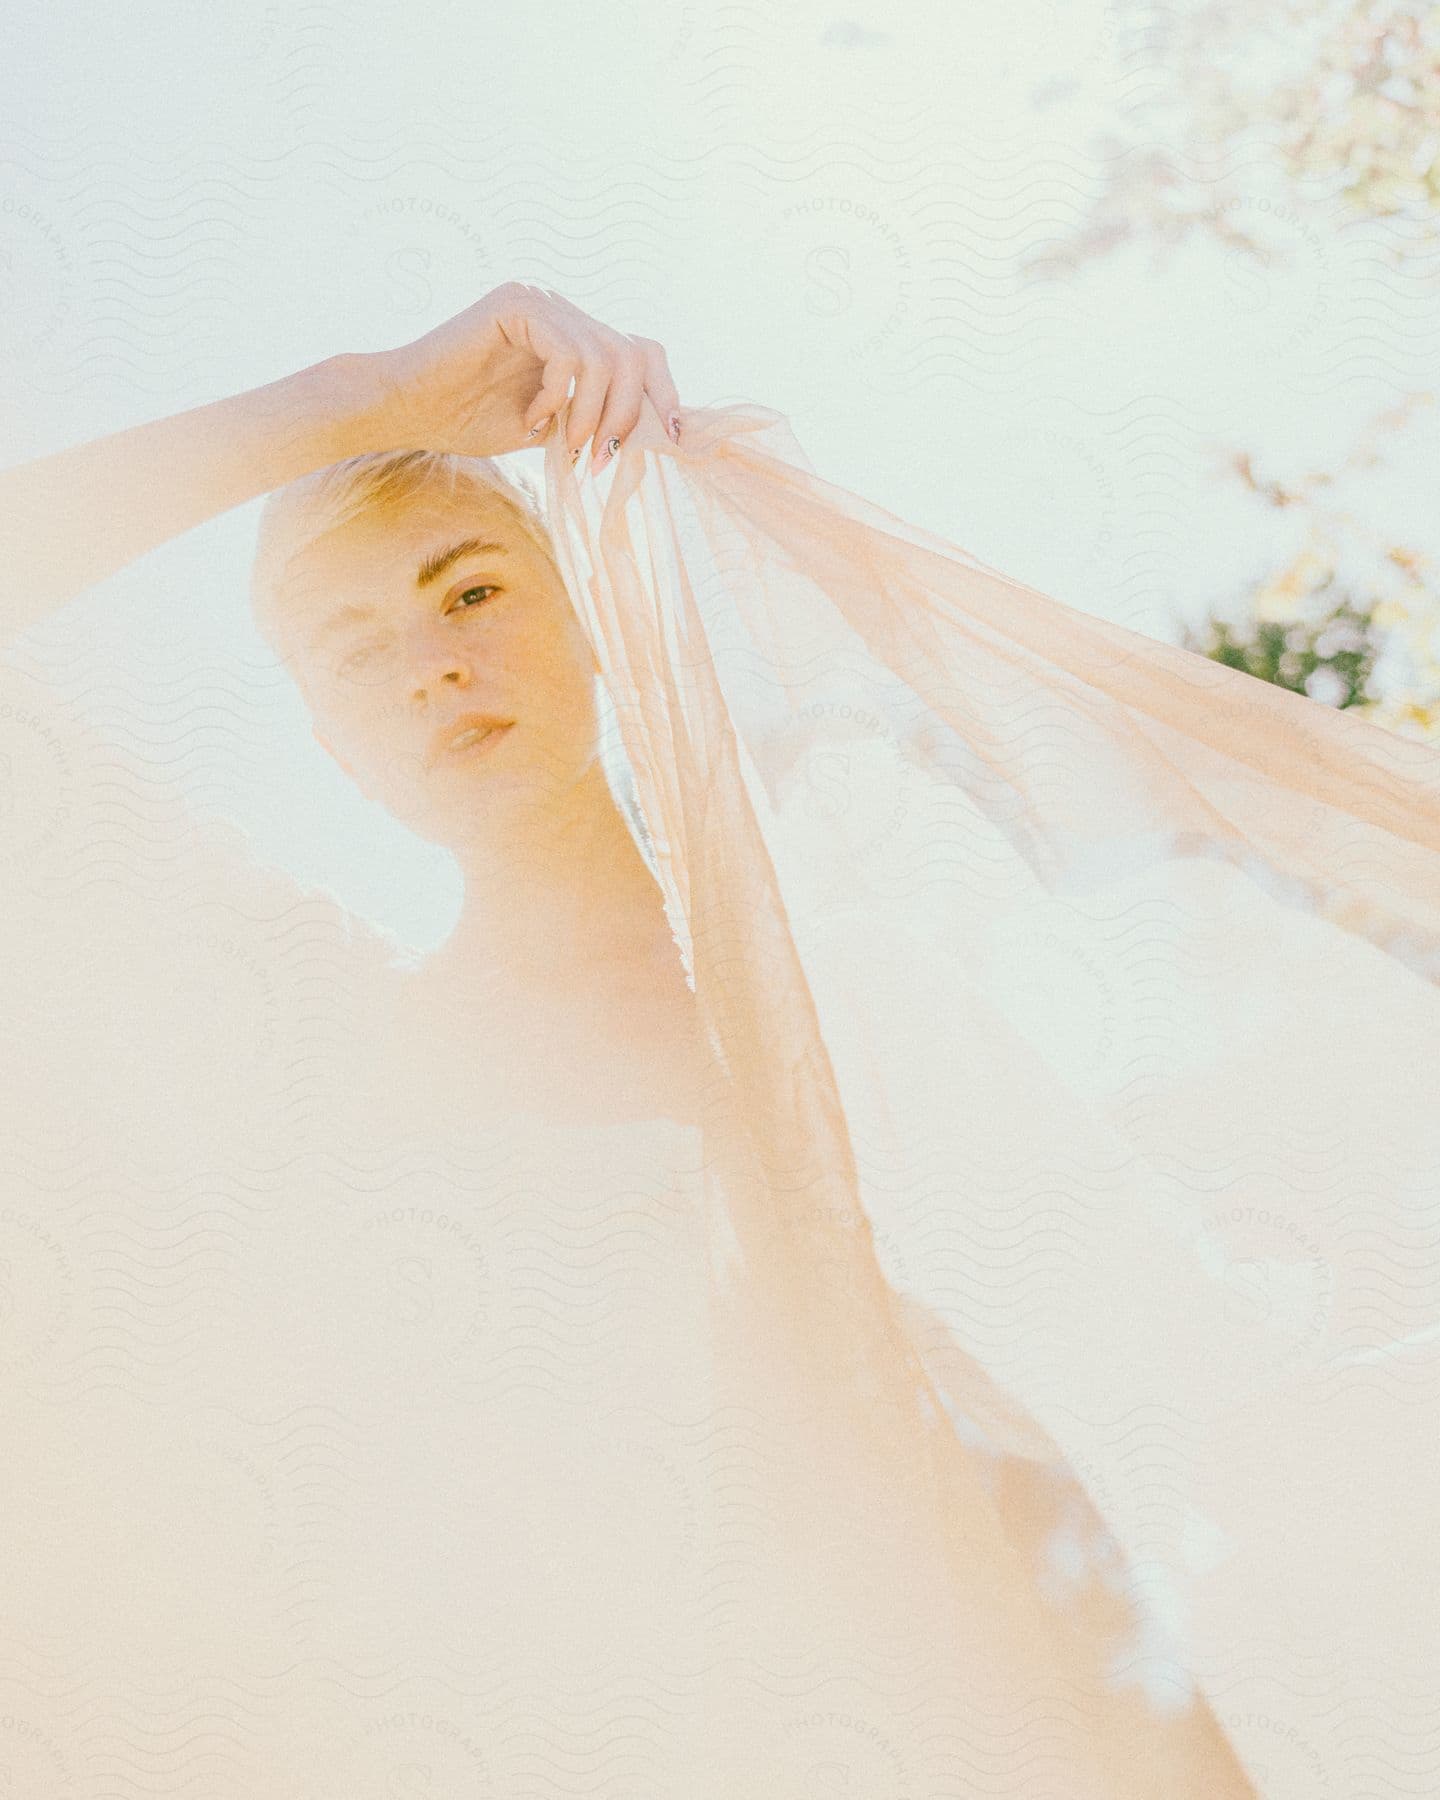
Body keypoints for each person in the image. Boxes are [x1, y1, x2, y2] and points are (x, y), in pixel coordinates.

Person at [16, 278, 1435, 1796]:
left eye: (472, 591)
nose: (428, 665)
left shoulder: (870, 994)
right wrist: (375, 392)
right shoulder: (351, 1044)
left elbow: (1172, 1388)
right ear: (320, 734)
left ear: (593, 614)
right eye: (353, 651)